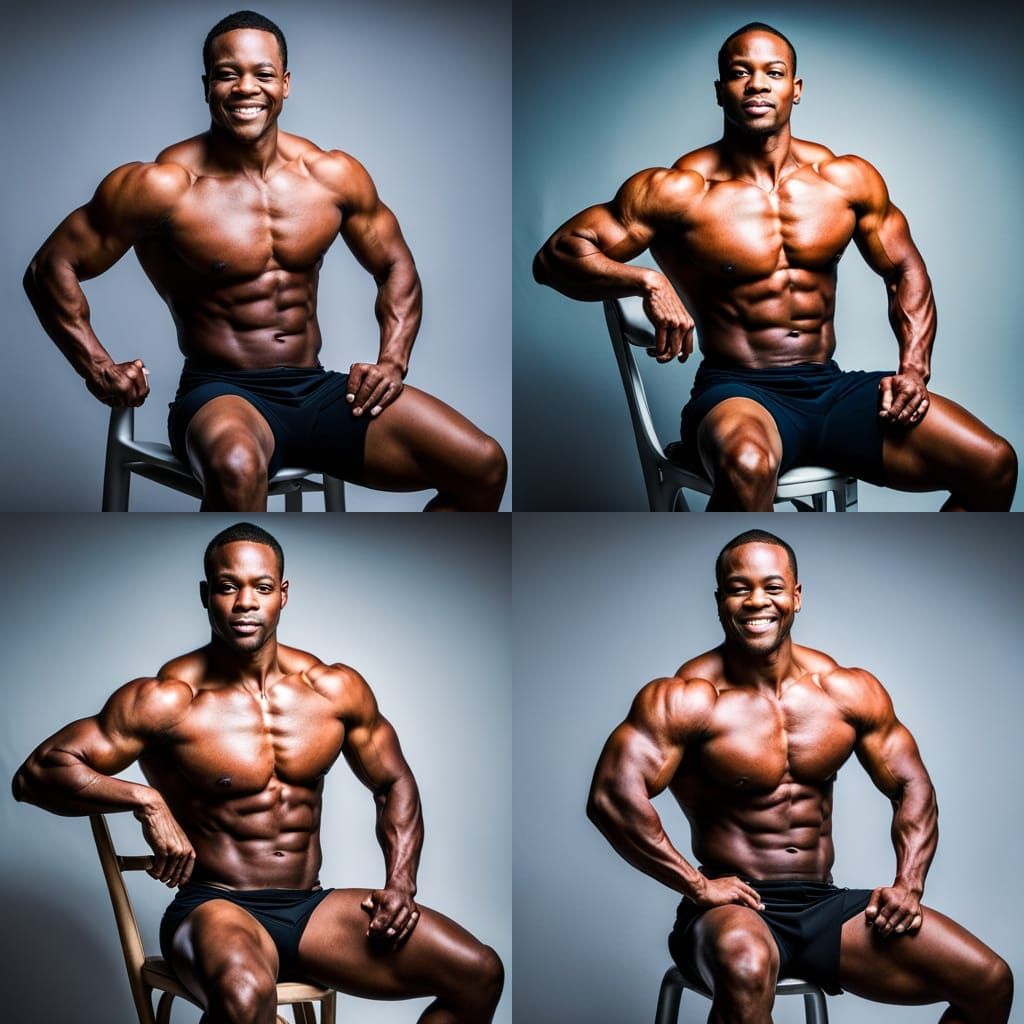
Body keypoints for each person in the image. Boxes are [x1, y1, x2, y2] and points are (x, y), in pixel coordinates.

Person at [12, 522, 504, 1024]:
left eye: (261, 588)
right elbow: (37, 774)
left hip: (310, 911)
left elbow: (393, 782)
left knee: (479, 973)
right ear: (207, 595)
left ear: (282, 595)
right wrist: (145, 801)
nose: (245, 602)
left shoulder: (332, 690)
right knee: (246, 996)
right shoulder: (168, 699)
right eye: (228, 587)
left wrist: (401, 884)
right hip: (214, 909)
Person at [23, 10, 506, 511]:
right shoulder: (161, 186)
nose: (245, 88)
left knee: (482, 466)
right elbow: (49, 268)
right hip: (220, 394)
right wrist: (96, 365)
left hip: (315, 391)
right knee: (237, 466)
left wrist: (393, 361)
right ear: (207, 84)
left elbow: (395, 266)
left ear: (286, 84)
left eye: (263, 74)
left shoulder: (331, 176)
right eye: (228, 74)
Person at [534, 22, 1016, 510]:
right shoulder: (679, 191)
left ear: (795, 89)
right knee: (748, 466)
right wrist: (646, 281)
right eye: (741, 73)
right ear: (721, 92)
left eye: (774, 72)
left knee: (993, 464)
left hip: (831, 389)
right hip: (737, 393)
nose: (757, 83)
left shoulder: (845, 181)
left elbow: (904, 271)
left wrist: (913, 369)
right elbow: (555, 258)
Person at [587, 529, 1012, 1022]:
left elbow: (910, 785)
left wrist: (909, 884)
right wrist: (696, 886)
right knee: (746, 967)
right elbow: (611, 798)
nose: (756, 601)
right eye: (739, 587)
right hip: (732, 910)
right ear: (720, 598)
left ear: (796, 595)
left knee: (988, 982)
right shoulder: (688, 698)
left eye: (771, 586)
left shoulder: (845, 692)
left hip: (821, 905)